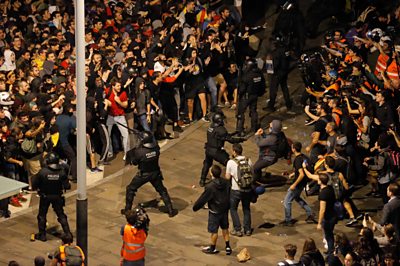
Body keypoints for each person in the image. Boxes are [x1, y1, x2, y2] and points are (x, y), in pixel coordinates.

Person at [123, 131, 178, 218]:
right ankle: (170, 210)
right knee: (162, 190)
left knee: (130, 189)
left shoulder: (140, 152)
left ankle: (127, 210)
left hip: (143, 175)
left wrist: (136, 149)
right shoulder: (156, 148)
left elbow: (134, 163)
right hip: (155, 173)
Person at [32, 152, 71, 242]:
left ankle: (42, 235)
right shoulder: (61, 172)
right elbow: (67, 186)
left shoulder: (43, 172)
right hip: (57, 196)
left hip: (45, 196)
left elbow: (34, 184)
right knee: (61, 214)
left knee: (42, 215)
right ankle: (68, 233)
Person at [193, 165, 232, 255]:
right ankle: (228, 246)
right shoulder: (226, 182)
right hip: (224, 209)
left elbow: (203, 198)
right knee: (225, 227)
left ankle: (213, 248)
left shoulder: (210, 186)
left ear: (211, 173)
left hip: (215, 211)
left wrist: (196, 207)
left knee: (214, 231)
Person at [199, 111, 244, 187]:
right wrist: (240, 139)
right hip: (217, 151)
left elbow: (220, 136)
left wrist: (233, 133)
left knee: (207, 163)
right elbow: (230, 140)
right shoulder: (221, 129)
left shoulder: (211, 127)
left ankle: (202, 180)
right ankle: (231, 182)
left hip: (208, 149)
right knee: (229, 163)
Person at [281, 141, 316, 226]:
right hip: (303, 183)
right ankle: (310, 213)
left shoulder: (297, 160)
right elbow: (302, 170)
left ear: (293, 149)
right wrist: (293, 174)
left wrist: (294, 184)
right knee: (297, 198)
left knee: (287, 201)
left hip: (298, 184)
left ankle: (288, 220)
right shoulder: (304, 157)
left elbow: (301, 174)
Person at [225, 143, 253, 236]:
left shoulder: (231, 162)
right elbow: (252, 173)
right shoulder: (248, 160)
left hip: (236, 189)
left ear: (234, 152)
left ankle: (237, 229)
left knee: (233, 209)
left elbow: (227, 177)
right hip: (247, 189)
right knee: (246, 208)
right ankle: (247, 229)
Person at [235, 58, 265, 137]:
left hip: (246, 96)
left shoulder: (247, 76)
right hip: (255, 95)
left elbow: (242, 88)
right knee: (254, 111)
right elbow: (263, 86)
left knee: (241, 113)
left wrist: (239, 94)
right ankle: (255, 127)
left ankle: (240, 130)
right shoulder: (259, 74)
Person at [315, 173, 337, 255]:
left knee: (329, 235)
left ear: (320, 181)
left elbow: (322, 209)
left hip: (328, 217)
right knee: (329, 234)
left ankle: (330, 253)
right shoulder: (330, 189)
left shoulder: (323, 193)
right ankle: (330, 250)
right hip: (333, 214)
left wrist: (319, 223)